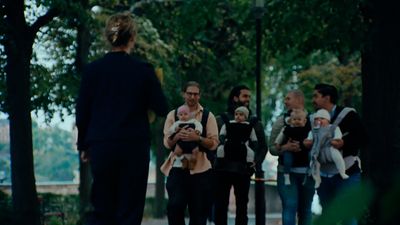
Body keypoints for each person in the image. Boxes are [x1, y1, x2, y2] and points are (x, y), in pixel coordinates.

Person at [75, 12, 168, 225]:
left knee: (102, 207)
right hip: (133, 145)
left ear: (109, 37)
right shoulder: (143, 71)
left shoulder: (92, 71)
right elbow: (161, 107)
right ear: (132, 37)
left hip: (101, 145)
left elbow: (82, 111)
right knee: (129, 208)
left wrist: (84, 145)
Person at [160, 81, 219, 225]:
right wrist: (177, 137)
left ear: (199, 96)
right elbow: (167, 143)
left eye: (195, 94)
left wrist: (197, 138)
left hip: (201, 169)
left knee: (199, 212)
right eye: (189, 93)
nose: (192, 97)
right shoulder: (173, 115)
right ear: (183, 94)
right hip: (177, 167)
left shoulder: (207, 116)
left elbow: (214, 144)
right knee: (174, 207)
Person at [311, 83, 366, 225]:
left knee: (349, 216)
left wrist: (344, 143)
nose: (313, 100)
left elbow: (362, 137)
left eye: (316, 96)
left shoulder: (348, 115)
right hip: (324, 176)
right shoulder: (312, 119)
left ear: (327, 98)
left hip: (348, 173)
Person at [214, 85, 267, 225]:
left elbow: (262, 146)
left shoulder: (254, 122)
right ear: (235, 98)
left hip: (243, 170)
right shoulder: (221, 120)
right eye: (245, 96)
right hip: (222, 170)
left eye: (249, 96)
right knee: (220, 205)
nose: (248, 99)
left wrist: (256, 161)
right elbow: (212, 142)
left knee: (242, 206)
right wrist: (215, 162)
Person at [269, 90, 314, 225]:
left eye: (288, 98)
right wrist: (284, 148)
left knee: (306, 210)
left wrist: (306, 145)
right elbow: (271, 147)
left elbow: (320, 143)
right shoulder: (281, 122)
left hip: (308, 172)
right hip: (286, 172)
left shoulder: (313, 120)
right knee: (289, 206)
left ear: (299, 100)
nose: (285, 101)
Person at [303, 109, 348, 188]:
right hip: (318, 150)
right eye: (316, 119)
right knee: (313, 163)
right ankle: (317, 179)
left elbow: (338, 135)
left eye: (322, 118)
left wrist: (336, 139)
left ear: (328, 120)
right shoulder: (313, 130)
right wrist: (308, 141)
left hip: (330, 148)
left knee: (338, 157)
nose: (319, 120)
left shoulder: (333, 128)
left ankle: (342, 172)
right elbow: (309, 139)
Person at [274, 109, 309, 186]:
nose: (296, 121)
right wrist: (277, 143)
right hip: (289, 149)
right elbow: (281, 136)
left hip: (302, 152)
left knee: (308, 158)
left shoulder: (306, 130)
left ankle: (307, 175)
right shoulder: (288, 129)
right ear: (290, 120)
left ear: (304, 121)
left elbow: (309, 140)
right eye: (294, 119)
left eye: (299, 119)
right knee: (287, 160)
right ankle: (286, 175)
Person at [169, 104, 203, 170]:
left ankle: (192, 162)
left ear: (189, 114)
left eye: (185, 114)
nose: (183, 116)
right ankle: (183, 159)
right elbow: (170, 130)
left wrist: (198, 131)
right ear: (178, 116)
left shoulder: (193, 121)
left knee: (195, 151)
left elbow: (199, 125)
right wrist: (174, 129)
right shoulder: (177, 123)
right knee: (177, 152)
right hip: (181, 141)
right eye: (181, 115)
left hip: (192, 141)